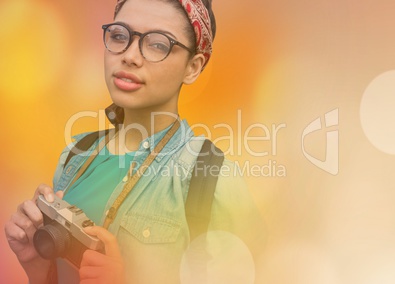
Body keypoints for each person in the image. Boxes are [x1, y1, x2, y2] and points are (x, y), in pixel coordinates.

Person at [4, 0, 266, 283]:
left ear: (193, 67)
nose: (129, 56)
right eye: (119, 36)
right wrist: (36, 266)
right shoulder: (74, 157)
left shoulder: (212, 177)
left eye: (157, 44)